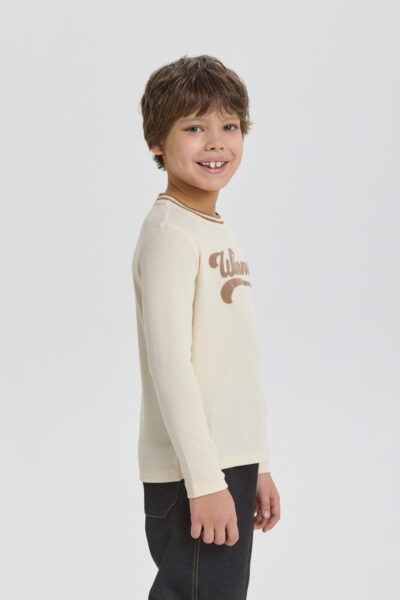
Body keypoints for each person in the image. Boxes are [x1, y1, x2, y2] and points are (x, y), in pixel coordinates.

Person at [131, 54, 280, 600]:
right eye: (194, 127)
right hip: (194, 470)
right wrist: (205, 480)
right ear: (157, 142)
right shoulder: (171, 233)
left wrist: (257, 462)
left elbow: (235, 362)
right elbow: (171, 366)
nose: (216, 142)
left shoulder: (215, 229)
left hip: (226, 463)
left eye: (229, 126)